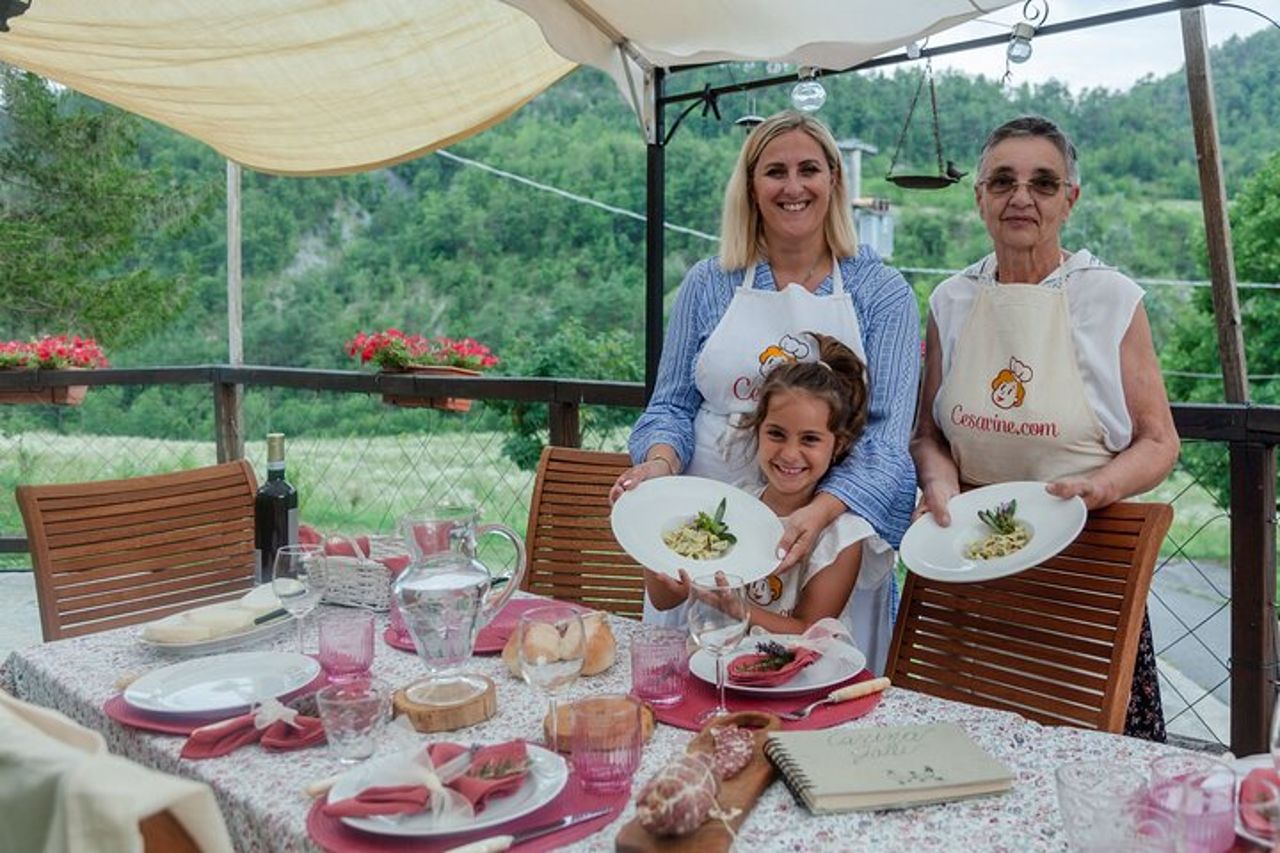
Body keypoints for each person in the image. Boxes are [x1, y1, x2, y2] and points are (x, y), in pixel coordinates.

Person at [911, 115, 1180, 740]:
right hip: (968, 555)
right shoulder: (950, 300)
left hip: (1085, 558)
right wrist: (940, 486)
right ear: (979, 196)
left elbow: (1160, 440)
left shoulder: (1111, 298)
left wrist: (1100, 487)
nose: (1021, 197)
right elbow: (928, 434)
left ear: (1071, 199)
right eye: (1002, 181)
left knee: (1087, 751)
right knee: (962, 745)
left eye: (1043, 182)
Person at [609, 110, 920, 630]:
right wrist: (657, 469)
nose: (792, 186)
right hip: (702, 536)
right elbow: (670, 405)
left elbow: (886, 442)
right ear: (751, 187)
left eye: (809, 170)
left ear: (834, 181)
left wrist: (817, 515)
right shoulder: (709, 283)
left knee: (811, 680)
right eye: (775, 171)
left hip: (821, 542)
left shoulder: (881, 292)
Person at [644, 333, 897, 673]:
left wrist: (739, 610)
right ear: (756, 429)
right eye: (776, 433)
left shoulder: (843, 536)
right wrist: (651, 541)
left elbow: (811, 631)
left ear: (837, 445)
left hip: (806, 681)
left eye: (810, 439)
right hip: (723, 673)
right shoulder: (735, 504)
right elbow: (664, 599)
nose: (790, 454)